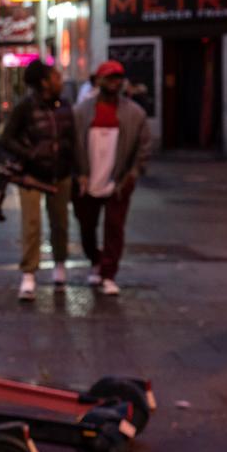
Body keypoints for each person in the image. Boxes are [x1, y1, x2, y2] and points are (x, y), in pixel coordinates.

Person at [72, 60, 155, 296]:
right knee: (86, 226)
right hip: (88, 181)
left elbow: (144, 146)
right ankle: (95, 260)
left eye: (118, 78)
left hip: (118, 181)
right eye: (109, 78)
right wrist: (80, 173)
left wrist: (133, 174)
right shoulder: (82, 112)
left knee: (114, 228)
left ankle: (108, 273)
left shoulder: (134, 114)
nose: (114, 83)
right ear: (99, 81)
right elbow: (73, 144)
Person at [0, 59, 75, 301]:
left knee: (60, 222)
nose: (60, 80)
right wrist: (30, 153)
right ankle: (29, 273)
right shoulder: (25, 108)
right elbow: (5, 140)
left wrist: (78, 169)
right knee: (31, 224)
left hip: (60, 173)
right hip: (30, 175)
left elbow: (74, 140)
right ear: (45, 82)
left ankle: (59, 267)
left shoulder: (65, 105)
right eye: (56, 76)